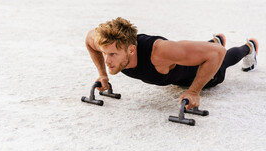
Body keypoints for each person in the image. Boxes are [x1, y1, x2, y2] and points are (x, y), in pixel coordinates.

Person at [85, 17, 259, 110]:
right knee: (202, 50)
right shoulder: (106, 42)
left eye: (113, 54)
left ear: (131, 50)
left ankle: (249, 47)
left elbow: (218, 54)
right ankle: (213, 41)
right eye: (104, 53)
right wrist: (102, 74)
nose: (107, 60)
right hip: (178, 63)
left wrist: (193, 91)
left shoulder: (159, 52)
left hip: (195, 73)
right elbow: (88, 40)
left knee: (223, 58)